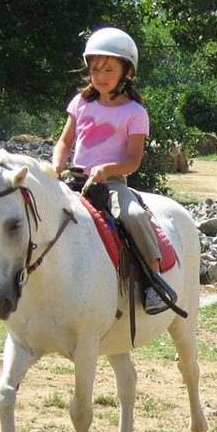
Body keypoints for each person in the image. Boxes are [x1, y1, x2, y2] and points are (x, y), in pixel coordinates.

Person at [52, 27, 171, 314]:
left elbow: (132, 160)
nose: (100, 76)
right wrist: (55, 164)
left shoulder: (135, 113)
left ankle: (155, 280)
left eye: (108, 69)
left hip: (111, 183)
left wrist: (107, 169)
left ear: (126, 72)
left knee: (133, 215)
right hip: (74, 180)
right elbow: (65, 141)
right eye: (95, 69)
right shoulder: (80, 103)